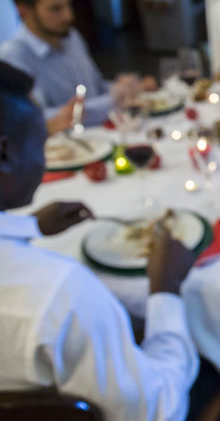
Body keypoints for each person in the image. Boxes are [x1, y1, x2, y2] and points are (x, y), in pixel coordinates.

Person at [0, 60, 199, 419]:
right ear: (4, 154)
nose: (44, 159)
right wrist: (165, 289)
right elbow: (158, 409)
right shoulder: (59, 296)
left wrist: (27, 228)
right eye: (41, 142)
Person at [0, 0, 156, 127]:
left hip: (104, 134)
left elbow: (95, 88)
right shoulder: (12, 56)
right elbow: (38, 119)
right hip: (65, 150)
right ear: (23, 11)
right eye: (55, 9)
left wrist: (128, 87)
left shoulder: (71, 37)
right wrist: (112, 99)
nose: (69, 16)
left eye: (68, 5)